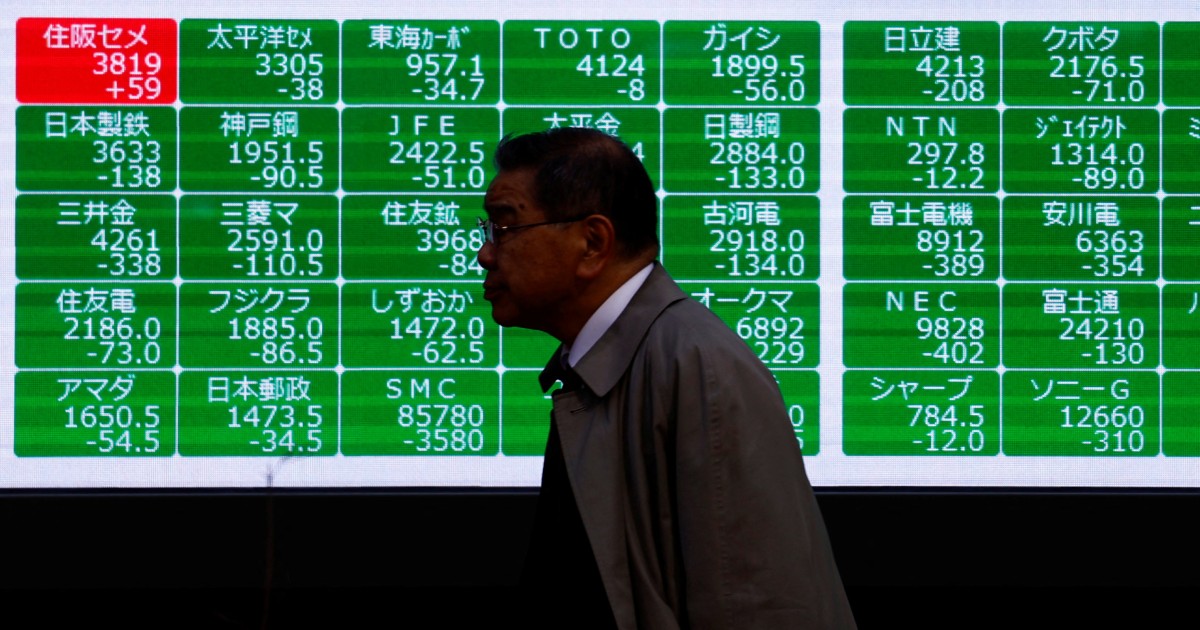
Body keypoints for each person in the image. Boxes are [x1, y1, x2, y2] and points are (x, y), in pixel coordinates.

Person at [476, 127, 855, 628]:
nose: (485, 254)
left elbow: (760, 608)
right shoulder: (616, 361)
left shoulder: (699, 368)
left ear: (592, 242)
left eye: (505, 227)